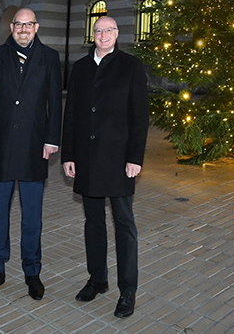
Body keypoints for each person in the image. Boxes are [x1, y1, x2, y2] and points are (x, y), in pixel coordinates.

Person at [62, 16, 149, 319]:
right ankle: (97, 279)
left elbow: (140, 115)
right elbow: (70, 112)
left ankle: (128, 289)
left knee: (124, 224)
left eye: (108, 30)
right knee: (93, 222)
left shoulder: (130, 65)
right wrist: (68, 155)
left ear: (117, 34)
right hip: (86, 158)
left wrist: (135, 158)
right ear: (93, 35)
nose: (103, 35)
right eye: (98, 31)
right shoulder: (81, 68)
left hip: (119, 160)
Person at [0, 8, 62, 301]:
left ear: (36, 27)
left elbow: (55, 103)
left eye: (28, 24)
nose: (23, 29)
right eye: (18, 24)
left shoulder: (50, 58)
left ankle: (32, 270)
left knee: (32, 217)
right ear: (11, 26)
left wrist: (52, 140)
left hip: (33, 147)